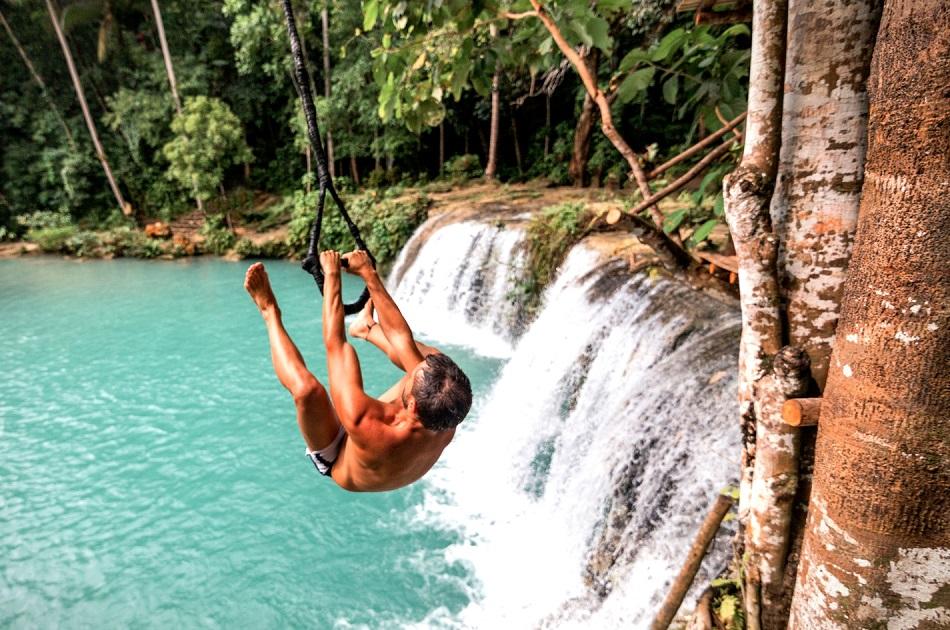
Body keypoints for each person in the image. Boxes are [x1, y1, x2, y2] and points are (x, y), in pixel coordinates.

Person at [243, 250, 472, 492]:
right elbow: (401, 337)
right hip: (390, 440)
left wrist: (331, 275)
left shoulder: (366, 423)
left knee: (307, 391)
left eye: (414, 374)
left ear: (412, 405)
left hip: (341, 459)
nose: (413, 366)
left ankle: (268, 311)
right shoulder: (451, 407)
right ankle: (366, 328)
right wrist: (368, 274)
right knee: (435, 359)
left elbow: (335, 344)